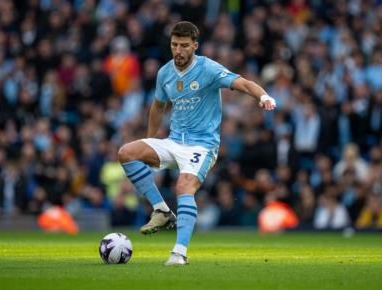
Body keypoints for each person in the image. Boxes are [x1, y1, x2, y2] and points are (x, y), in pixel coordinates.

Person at [118, 21, 276, 266]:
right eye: (174, 45)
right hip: (173, 141)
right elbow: (158, 107)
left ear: (195, 46)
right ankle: (161, 210)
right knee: (126, 152)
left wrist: (263, 95)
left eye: (183, 45)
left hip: (202, 146)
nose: (178, 51)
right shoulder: (165, 73)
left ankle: (179, 253)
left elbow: (243, 83)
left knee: (184, 187)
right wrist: (149, 138)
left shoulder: (209, 69)